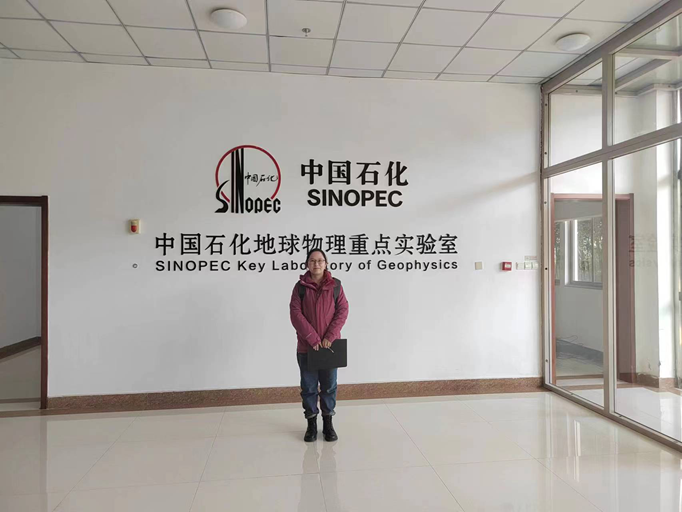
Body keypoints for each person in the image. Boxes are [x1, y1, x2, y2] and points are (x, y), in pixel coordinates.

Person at [290, 249, 349, 442]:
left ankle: (328, 424)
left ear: (326, 263)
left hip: (330, 347)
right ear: (307, 264)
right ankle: (311, 425)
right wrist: (312, 338)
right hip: (307, 347)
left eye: (320, 260)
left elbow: (342, 310)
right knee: (308, 387)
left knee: (329, 387)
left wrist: (330, 336)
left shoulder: (336, 286)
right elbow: (295, 314)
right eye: (313, 261)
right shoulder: (300, 287)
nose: (317, 264)